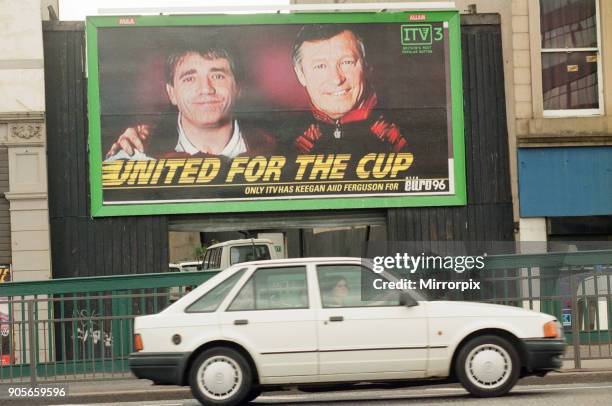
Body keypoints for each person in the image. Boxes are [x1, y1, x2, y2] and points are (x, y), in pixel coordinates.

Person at [105, 45, 275, 161]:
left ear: (238, 87)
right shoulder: (135, 155)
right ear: (171, 93)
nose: (205, 89)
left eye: (217, 76)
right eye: (189, 79)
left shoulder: (278, 151)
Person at [290, 24, 409, 155]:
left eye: (346, 62)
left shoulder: (406, 132)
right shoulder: (285, 138)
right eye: (320, 66)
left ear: (366, 66)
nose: (336, 79)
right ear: (300, 75)